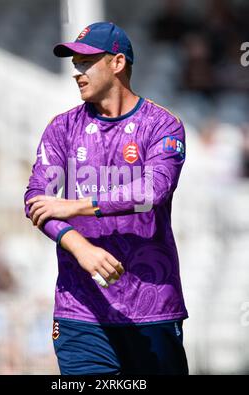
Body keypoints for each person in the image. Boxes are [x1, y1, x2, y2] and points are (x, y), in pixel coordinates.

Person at [24, 22, 189, 375]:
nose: (77, 72)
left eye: (86, 61)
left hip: (152, 303)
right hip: (80, 308)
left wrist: (76, 206)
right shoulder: (61, 128)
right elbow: (36, 199)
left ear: (117, 63)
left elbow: (152, 191)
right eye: (75, 63)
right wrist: (78, 245)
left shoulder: (162, 125)